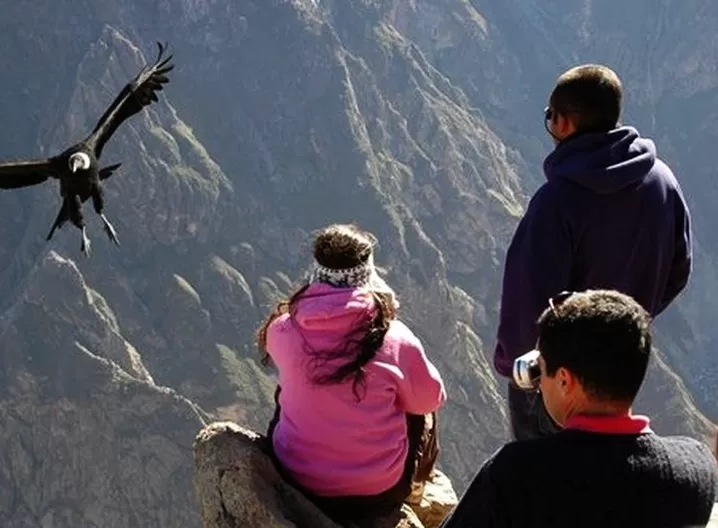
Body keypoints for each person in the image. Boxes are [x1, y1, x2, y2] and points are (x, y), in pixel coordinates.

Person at [493, 64, 693, 441]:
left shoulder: (557, 203)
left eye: (550, 117)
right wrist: (629, 320)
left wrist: (520, 367)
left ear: (564, 123)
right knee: (609, 465)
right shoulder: (661, 181)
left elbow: (528, 301)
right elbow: (678, 270)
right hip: (622, 367)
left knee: (546, 483)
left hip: (559, 378)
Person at [441, 290, 718, 528]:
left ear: (564, 380)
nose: (539, 385)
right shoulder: (696, 470)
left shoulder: (516, 475)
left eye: (543, 372)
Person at [257, 223, 447, 523]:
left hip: (296, 476)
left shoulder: (282, 329)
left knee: (288, 387)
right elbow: (430, 399)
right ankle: (417, 488)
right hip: (376, 492)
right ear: (367, 274)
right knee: (420, 400)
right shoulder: (394, 338)